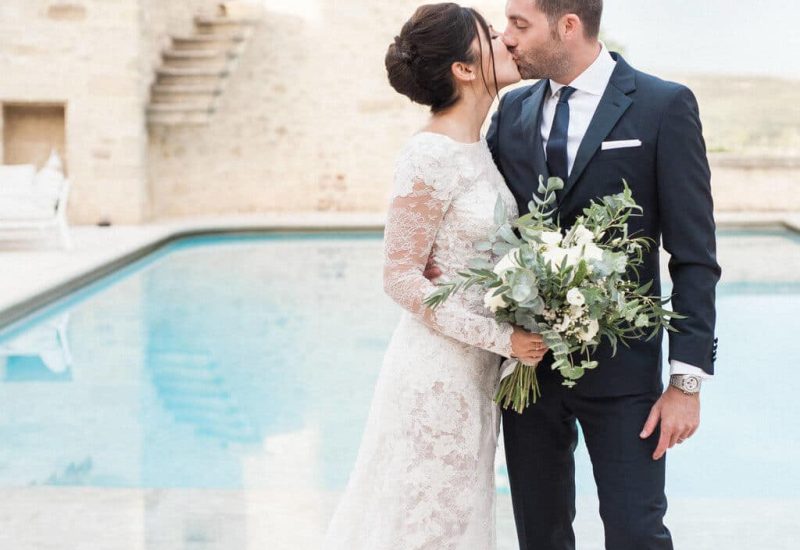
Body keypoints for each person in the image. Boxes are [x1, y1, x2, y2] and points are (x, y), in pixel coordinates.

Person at [423, 0, 721, 548]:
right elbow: (489, 219)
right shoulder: (510, 111)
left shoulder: (662, 106)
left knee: (637, 533)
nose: (507, 39)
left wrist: (685, 383)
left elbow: (695, 256)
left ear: (568, 26)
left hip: (624, 375)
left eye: (519, 25)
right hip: (527, 372)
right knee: (541, 535)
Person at [322, 4, 545, 548]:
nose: (507, 42)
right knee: (429, 525)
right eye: (492, 36)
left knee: (458, 520)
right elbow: (399, 276)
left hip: (477, 377)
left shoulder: (479, 147)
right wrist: (504, 338)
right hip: (437, 377)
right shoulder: (428, 153)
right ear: (464, 70)